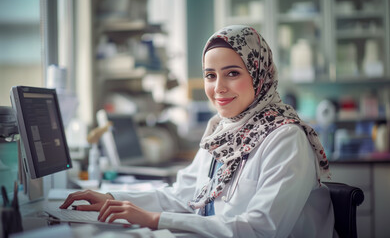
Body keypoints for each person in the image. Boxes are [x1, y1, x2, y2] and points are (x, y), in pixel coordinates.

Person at [60, 25, 336, 237]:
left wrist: (155, 220)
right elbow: (181, 196)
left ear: (259, 74)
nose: (218, 88)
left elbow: (261, 230)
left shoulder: (286, 138)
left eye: (232, 73)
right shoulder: (222, 133)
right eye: (210, 75)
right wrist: (113, 199)